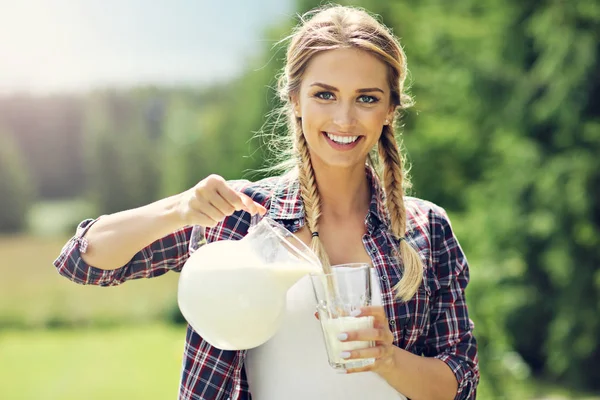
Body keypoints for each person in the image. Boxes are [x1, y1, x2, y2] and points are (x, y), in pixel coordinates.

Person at [54, 4, 479, 400]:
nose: (345, 119)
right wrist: (180, 207)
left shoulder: (427, 228)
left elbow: (459, 381)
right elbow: (84, 260)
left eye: (366, 98)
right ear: (295, 99)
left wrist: (388, 359)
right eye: (324, 95)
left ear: (389, 109)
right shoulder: (241, 216)